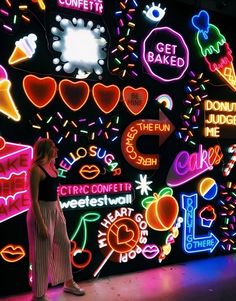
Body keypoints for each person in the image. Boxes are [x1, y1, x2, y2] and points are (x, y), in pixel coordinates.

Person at [27, 138, 85, 301]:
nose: (57, 150)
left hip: (55, 210)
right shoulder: (36, 170)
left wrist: (61, 214)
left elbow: (56, 194)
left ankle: (68, 282)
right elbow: (34, 200)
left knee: (64, 244)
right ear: (46, 150)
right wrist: (42, 224)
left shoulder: (53, 168)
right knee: (41, 253)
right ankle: (38, 294)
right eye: (54, 147)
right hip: (41, 211)